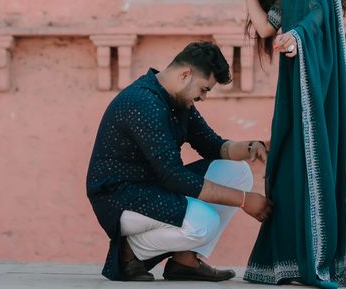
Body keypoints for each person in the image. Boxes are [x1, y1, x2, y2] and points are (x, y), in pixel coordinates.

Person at [233, 0, 346, 288]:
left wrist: (299, 37)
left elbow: (321, 11)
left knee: (308, 161)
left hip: (309, 77)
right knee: (289, 162)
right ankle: (293, 259)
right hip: (295, 82)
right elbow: (264, 28)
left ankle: (318, 261)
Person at [86, 41, 273, 282]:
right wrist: (244, 201)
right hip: (119, 198)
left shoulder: (177, 101)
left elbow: (212, 146)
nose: (203, 97)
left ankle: (185, 261)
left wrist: (251, 148)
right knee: (204, 224)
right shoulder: (143, 103)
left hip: (153, 190)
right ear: (185, 74)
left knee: (237, 172)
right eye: (204, 89)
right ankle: (128, 252)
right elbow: (173, 177)